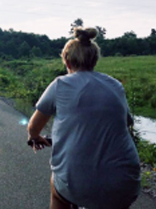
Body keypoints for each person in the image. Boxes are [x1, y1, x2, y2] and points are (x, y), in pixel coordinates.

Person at [27, 27, 141, 209]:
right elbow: (126, 123)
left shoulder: (60, 84)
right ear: (94, 60)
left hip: (75, 183)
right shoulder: (115, 85)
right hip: (125, 182)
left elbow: (33, 127)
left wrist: (34, 138)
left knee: (57, 192)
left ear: (67, 61)